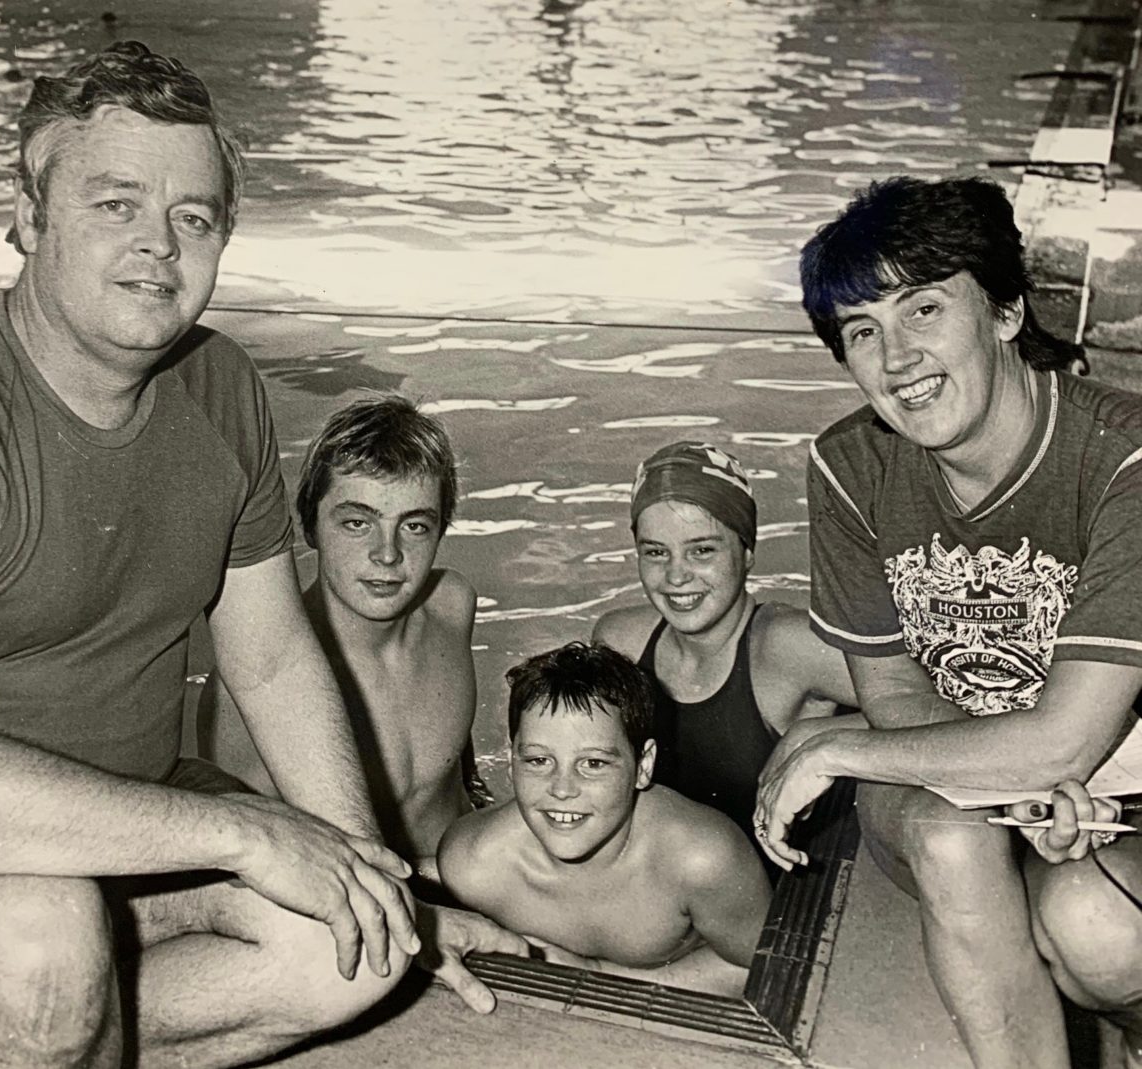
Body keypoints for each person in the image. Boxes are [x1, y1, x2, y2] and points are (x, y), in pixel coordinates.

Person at [0, 42, 518, 1069]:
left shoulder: (219, 388)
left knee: (354, 951)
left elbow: (272, 661)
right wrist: (246, 836)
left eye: (193, 218)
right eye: (116, 204)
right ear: (29, 219)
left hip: (134, 817)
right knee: (44, 948)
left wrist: (367, 873)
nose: (159, 246)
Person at [753, 175, 1142, 1069]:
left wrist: (831, 748)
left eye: (923, 309)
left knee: (1096, 929)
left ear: (1005, 311)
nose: (896, 360)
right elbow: (890, 687)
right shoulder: (850, 464)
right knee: (944, 834)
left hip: (1128, 786)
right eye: (863, 331)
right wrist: (1016, 777)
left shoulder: (1123, 457)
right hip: (982, 777)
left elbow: (1070, 738)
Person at [202, 392, 494, 885]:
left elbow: (459, 775)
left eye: (415, 526)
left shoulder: (452, 605)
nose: (388, 554)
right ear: (311, 526)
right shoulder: (249, 684)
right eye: (358, 523)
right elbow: (250, 868)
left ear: (442, 530)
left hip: (470, 877)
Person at [438, 641, 769, 997]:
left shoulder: (701, 858)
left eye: (593, 764)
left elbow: (764, 968)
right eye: (538, 761)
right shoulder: (474, 865)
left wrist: (598, 975)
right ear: (511, 759)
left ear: (643, 766)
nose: (562, 789)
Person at [592, 440, 860, 862]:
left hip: (774, 886)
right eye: (656, 552)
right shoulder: (620, 640)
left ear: (748, 551)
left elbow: (942, 705)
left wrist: (824, 736)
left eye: (702, 550)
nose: (676, 575)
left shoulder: (789, 646)